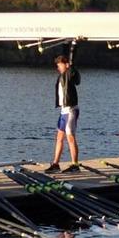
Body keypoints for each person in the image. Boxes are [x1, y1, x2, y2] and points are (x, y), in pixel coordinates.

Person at [46, 41, 81, 173]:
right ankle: (55, 164)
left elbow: (75, 74)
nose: (57, 68)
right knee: (59, 137)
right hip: (63, 111)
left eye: (59, 65)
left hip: (71, 110)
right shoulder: (61, 76)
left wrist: (73, 48)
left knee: (70, 136)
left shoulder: (70, 74)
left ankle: (75, 165)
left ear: (66, 65)